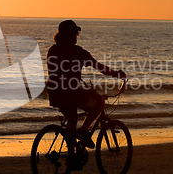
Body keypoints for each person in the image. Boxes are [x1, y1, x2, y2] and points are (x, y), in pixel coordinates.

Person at [46, 20, 126, 149]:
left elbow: (60, 73)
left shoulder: (53, 50)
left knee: (72, 117)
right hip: (70, 92)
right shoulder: (78, 52)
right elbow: (99, 67)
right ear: (73, 36)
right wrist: (116, 74)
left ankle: (71, 150)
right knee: (99, 101)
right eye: (75, 34)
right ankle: (83, 132)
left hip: (54, 92)